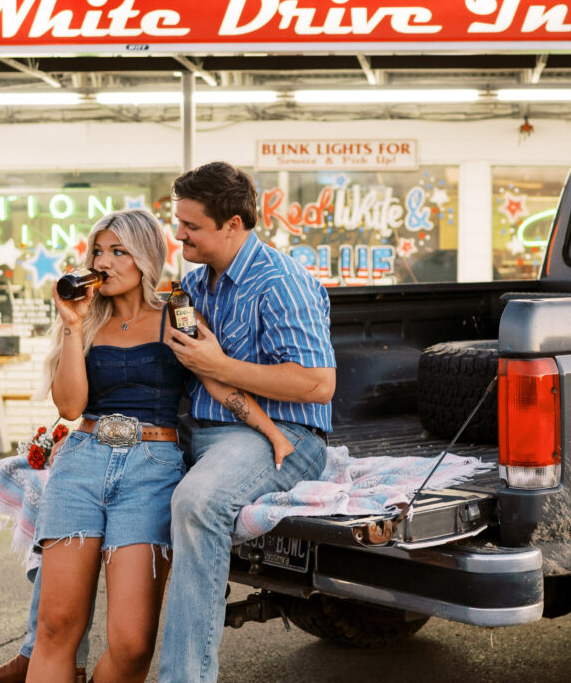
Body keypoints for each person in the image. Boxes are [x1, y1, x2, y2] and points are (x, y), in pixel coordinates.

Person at [21, 208, 288, 683]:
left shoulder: (177, 315)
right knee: (56, 625)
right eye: (98, 251)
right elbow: (69, 405)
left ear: (145, 258)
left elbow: (218, 380)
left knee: (131, 643)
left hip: (150, 469)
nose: (104, 262)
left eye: (119, 251)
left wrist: (270, 431)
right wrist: (72, 325)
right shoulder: (84, 322)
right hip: (81, 463)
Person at [158, 161, 337, 683]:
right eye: (178, 222)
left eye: (191, 226)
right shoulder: (193, 285)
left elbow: (317, 383)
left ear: (233, 224)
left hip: (287, 439)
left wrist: (219, 365)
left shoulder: (282, 281)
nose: (179, 234)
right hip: (202, 431)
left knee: (198, 503)